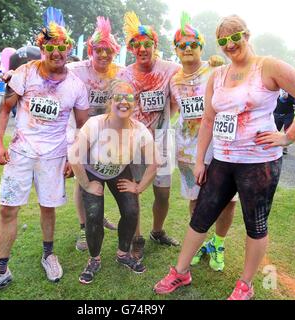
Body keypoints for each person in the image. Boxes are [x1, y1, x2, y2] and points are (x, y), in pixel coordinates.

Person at [154, 15, 295, 300]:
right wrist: (199, 161)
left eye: (235, 38)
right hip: (222, 159)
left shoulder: (267, 66)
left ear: (247, 35)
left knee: (255, 223)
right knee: (201, 214)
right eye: (223, 41)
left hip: (259, 162)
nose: (230, 45)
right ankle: (181, 271)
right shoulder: (218, 75)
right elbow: (208, 119)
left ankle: (246, 284)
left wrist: (288, 137)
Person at [0, 7, 89, 300]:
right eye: (50, 46)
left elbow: (84, 127)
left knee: (48, 207)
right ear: (42, 48)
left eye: (63, 46)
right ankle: (0, 270)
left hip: (54, 156)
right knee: (7, 208)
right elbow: (4, 110)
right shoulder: (26, 73)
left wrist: (74, 158)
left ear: (69, 49)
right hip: (21, 153)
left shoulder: (76, 85)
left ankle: (48, 255)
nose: (57, 52)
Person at [70, 80, 157, 284]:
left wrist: (139, 186)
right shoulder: (96, 124)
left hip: (118, 170)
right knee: (93, 214)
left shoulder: (139, 129)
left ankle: (123, 254)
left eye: (129, 98)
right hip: (93, 171)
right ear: (110, 101)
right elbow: (74, 156)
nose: (124, 102)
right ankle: (94, 259)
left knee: (131, 210)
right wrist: (87, 184)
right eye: (118, 97)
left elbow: (154, 163)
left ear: (134, 103)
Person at [169, 12, 237, 272]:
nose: (188, 49)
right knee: (196, 199)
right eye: (182, 45)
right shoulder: (172, 79)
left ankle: (218, 244)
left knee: (228, 201)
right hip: (187, 149)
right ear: (175, 49)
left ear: (201, 46)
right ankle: (198, 243)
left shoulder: (217, 69)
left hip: (220, 146)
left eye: (193, 44)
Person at [119, 11, 181, 261]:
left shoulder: (171, 70)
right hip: (132, 142)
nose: (142, 49)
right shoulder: (124, 74)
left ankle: (157, 231)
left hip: (162, 141)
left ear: (155, 45)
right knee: (132, 191)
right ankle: (136, 238)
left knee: (162, 193)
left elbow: (183, 93)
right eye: (137, 44)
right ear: (131, 48)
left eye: (147, 44)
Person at [67, 16, 123, 251]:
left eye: (108, 51)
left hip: (107, 138)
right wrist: (6, 75)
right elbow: (48, 69)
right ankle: (83, 227)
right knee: (83, 183)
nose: (103, 55)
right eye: (99, 50)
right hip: (81, 135)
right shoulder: (75, 70)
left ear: (114, 52)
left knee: (104, 178)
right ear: (91, 50)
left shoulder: (119, 72)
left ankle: (98, 216)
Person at [273, 89, 295, 154]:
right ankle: (275, 146)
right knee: (275, 131)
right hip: (277, 114)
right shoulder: (275, 89)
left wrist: (288, 97)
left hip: (288, 114)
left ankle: (284, 148)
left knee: (287, 131)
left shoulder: (291, 90)